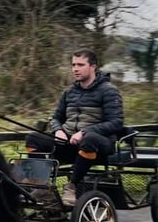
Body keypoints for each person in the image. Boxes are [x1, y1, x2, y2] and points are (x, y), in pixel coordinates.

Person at [25, 47, 124, 206]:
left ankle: (72, 186)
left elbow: (117, 123)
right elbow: (56, 117)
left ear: (93, 67)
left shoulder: (109, 91)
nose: (75, 69)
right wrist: (58, 130)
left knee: (89, 139)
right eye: (73, 65)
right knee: (33, 138)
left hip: (99, 145)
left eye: (80, 65)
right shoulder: (69, 92)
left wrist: (84, 132)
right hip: (70, 143)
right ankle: (41, 186)